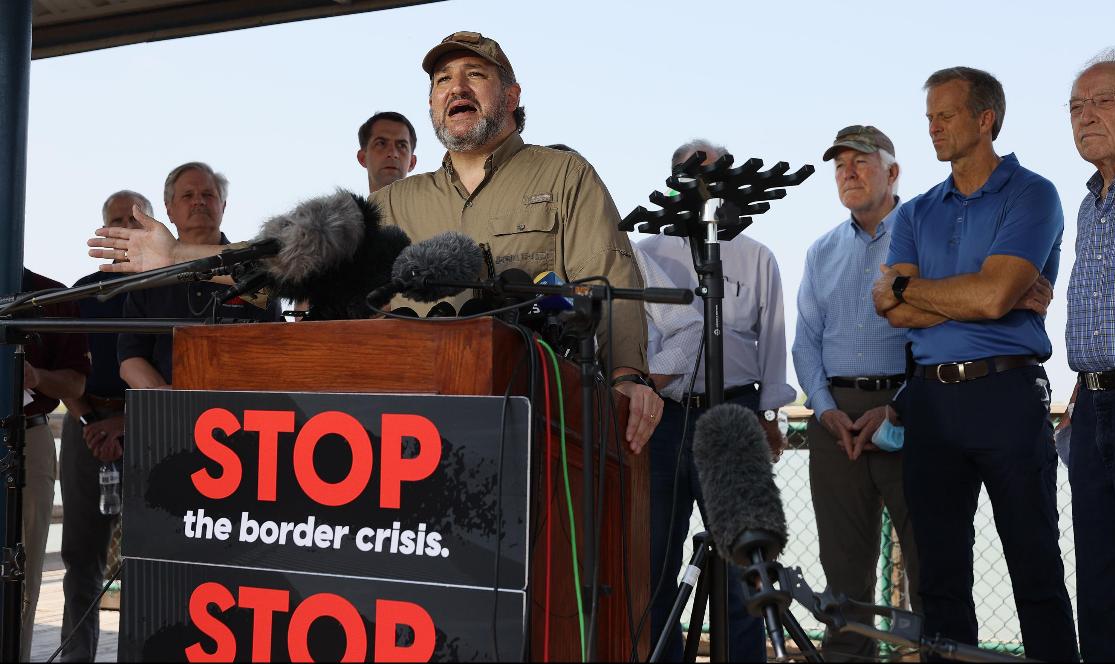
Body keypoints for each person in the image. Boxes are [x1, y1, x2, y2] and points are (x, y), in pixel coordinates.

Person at [89, 33, 663, 450]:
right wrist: (174, 258)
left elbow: (605, 282)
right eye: (442, 82)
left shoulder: (562, 175)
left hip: (531, 419)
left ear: (511, 96)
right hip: (405, 429)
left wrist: (628, 379)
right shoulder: (394, 202)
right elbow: (289, 265)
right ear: (433, 105)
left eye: (474, 76)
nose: (455, 88)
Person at [871, 66, 1076, 660]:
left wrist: (924, 290)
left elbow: (992, 296)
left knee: (1035, 569)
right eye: (929, 118)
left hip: (1005, 396)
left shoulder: (1032, 193)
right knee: (938, 581)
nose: (933, 129)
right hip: (930, 402)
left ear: (985, 120)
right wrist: (979, 294)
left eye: (946, 115)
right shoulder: (915, 212)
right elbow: (890, 306)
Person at [639, 139, 795, 662]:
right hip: (666, 419)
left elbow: (773, 342)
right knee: (657, 562)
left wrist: (770, 417)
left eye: (710, 172)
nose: (701, 182)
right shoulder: (648, 252)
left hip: (734, 412)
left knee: (741, 564)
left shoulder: (756, 257)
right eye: (688, 173)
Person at [793, 125, 919, 660]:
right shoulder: (821, 251)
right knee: (843, 576)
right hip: (835, 422)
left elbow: (939, 335)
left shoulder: (922, 236)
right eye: (840, 163)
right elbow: (805, 342)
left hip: (910, 411)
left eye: (862, 161)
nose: (848, 171)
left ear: (892, 172)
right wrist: (824, 411)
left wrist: (898, 406)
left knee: (930, 564)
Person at [57, 190, 150, 662]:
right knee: (81, 556)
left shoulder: (166, 289)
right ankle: (76, 655)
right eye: (116, 221)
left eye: (134, 221)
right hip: (85, 425)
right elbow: (67, 368)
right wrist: (93, 420)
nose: (124, 229)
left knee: (149, 556)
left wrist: (126, 422)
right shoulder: (80, 292)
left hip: (154, 428)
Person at [1061, 48, 1115, 662]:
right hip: (1092, 408)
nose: (1086, 116)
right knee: (1102, 587)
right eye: (1076, 106)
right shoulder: (1089, 204)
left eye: (1104, 100)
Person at [116, 163, 280, 387]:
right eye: (187, 195)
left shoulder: (254, 265)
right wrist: (167, 398)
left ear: (223, 206)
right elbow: (131, 358)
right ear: (169, 210)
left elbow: (271, 340)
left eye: (208, 194)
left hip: (240, 406)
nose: (199, 201)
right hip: (167, 412)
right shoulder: (148, 278)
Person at [19, 268, 90, 662]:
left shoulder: (51, 296)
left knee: (24, 573)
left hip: (27, 435)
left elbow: (76, 385)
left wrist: (36, 376)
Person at [357, 110, 418, 193]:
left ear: (412, 162)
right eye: (381, 143)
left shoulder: (435, 205)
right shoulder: (339, 206)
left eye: (402, 146)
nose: (392, 153)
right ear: (362, 158)